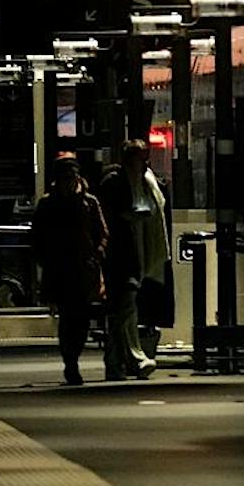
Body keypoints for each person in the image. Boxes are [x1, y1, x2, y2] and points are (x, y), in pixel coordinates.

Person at [28, 153, 106, 387]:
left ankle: (73, 357)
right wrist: (43, 260)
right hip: (59, 268)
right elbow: (37, 237)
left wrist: (97, 253)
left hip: (83, 267)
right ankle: (70, 363)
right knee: (67, 318)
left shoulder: (89, 202)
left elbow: (101, 232)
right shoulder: (48, 204)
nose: (68, 180)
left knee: (81, 319)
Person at [95, 141, 167, 382]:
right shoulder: (114, 183)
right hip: (119, 253)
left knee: (126, 308)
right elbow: (109, 216)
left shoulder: (145, 181)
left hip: (135, 251)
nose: (145, 163)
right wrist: (131, 216)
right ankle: (128, 357)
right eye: (141, 158)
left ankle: (122, 360)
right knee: (124, 304)